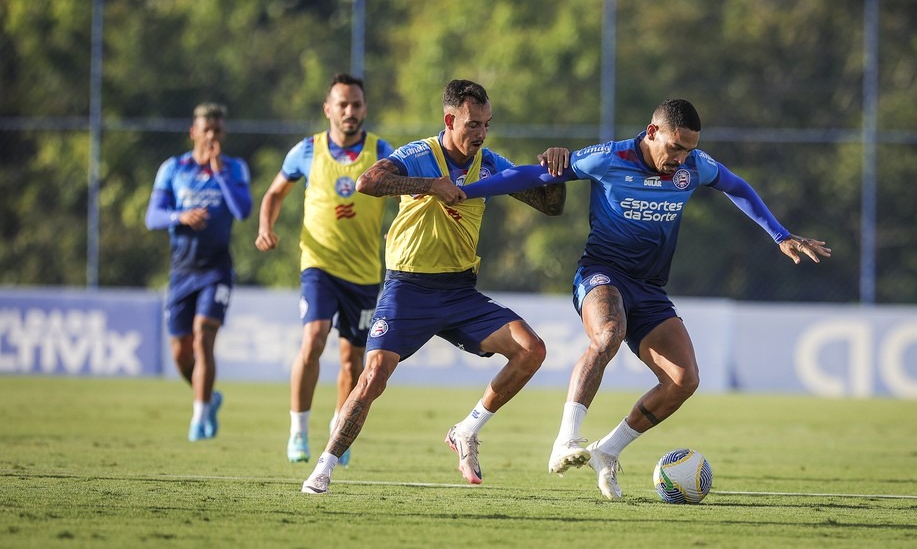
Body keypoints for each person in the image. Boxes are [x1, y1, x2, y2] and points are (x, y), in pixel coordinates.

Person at [460, 97, 831, 499]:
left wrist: (780, 235)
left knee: (684, 380)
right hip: (601, 273)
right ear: (653, 132)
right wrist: (467, 191)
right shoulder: (608, 158)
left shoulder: (693, 167)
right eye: (676, 147)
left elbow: (737, 187)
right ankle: (566, 440)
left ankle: (607, 451)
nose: (681, 158)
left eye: (689, 149)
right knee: (609, 334)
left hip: (650, 288)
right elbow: (531, 176)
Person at [300, 78, 567, 494]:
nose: (480, 134)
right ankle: (324, 466)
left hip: (460, 292)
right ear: (449, 119)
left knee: (532, 350)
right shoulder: (420, 155)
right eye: (472, 124)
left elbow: (550, 207)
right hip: (407, 290)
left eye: (486, 125)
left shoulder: (491, 163)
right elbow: (368, 182)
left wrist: (556, 173)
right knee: (373, 377)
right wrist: (429, 186)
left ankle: (466, 431)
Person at [255, 73, 394, 466]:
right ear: (328, 109)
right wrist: (265, 226)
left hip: (365, 273)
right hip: (318, 265)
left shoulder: (382, 152)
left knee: (352, 362)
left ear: (365, 109)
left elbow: (409, 196)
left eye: (356, 105)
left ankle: (339, 429)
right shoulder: (307, 150)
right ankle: (298, 432)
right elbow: (274, 193)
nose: (350, 111)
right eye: (342, 104)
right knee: (313, 338)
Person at [145, 102, 253, 442]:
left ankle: (199, 418)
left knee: (204, 333)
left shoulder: (235, 168)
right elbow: (153, 217)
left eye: (217, 131)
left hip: (216, 268)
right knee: (181, 352)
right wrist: (181, 216)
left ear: (224, 133)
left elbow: (243, 210)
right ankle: (208, 396)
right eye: (206, 130)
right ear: (193, 132)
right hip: (181, 271)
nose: (212, 136)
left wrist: (220, 173)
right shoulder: (173, 168)